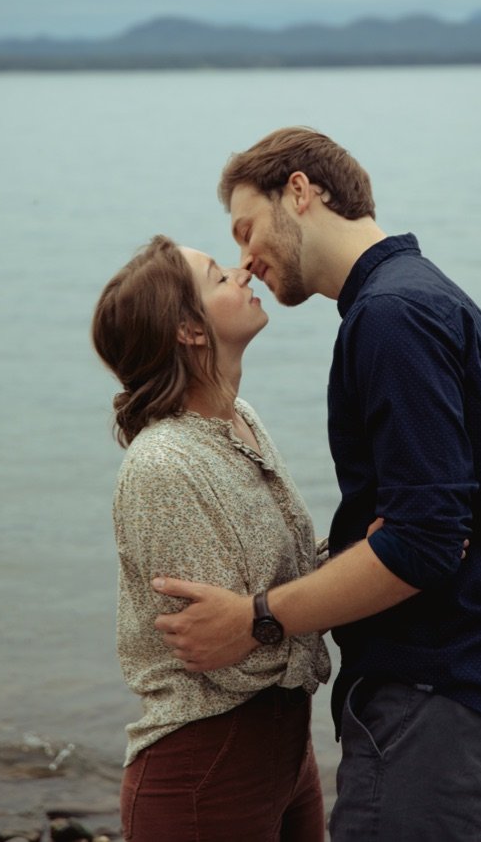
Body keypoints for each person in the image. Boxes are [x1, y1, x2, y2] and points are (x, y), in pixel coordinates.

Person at [152, 128, 481, 841]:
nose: (245, 258)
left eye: (246, 229)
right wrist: (356, 544)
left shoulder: (390, 316)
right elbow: (456, 518)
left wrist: (256, 616)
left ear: (301, 192)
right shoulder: (435, 298)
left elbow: (426, 544)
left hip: (438, 699)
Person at [92, 235, 331, 842]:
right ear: (188, 331)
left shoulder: (239, 418)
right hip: (206, 768)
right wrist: (360, 591)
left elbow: (266, 603)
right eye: (217, 276)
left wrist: (371, 554)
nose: (243, 270)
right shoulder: (163, 466)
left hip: (283, 752)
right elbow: (230, 663)